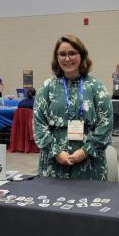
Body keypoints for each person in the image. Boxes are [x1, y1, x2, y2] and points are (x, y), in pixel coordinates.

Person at [33, 34, 112, 181]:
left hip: (90, 163)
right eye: (62, 54)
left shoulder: (96, 87)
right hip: (54, 163)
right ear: (56, 58)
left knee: (89, 202)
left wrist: (85, 151)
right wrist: (56, 152)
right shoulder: (47, 87)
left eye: (72, 53)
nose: (67, 59)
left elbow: (106, 125)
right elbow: (38, 125)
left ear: (81, 56)